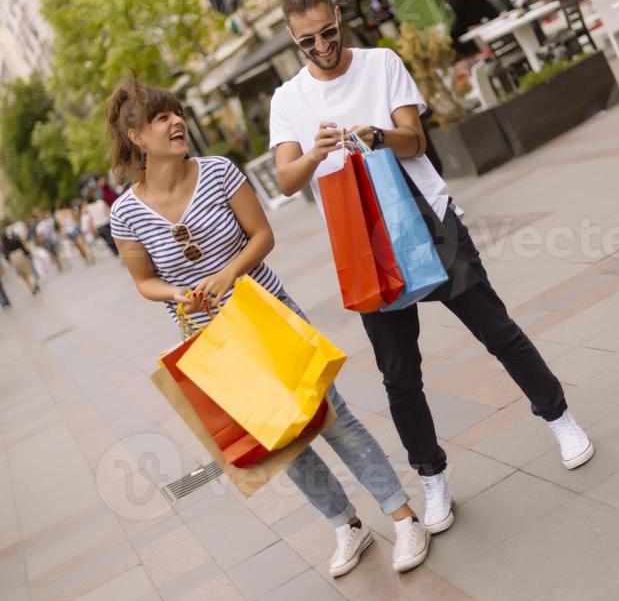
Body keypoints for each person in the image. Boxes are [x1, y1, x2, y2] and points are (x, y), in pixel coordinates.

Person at [270, 0, 595, 537]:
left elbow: (416, 141)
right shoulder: (288, 100)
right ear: (292, 39)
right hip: (364, 244)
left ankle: (559, 417)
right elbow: (284, 177)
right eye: (308, 41)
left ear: (339, 17)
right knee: (399, 374)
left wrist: (377, 134)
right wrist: (317, 152)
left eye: (328, 32)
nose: (322, 47)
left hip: (428, 219)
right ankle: (432, 475)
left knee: (496, 329)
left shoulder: (381, 63)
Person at [106, 77, 432, 575]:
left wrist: (227, 274)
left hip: (270, 314)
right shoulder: (126, 213)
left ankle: (403, 516)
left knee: (330, 417)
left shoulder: (217, 173)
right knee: (282, 441)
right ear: (135, 136)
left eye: (176, 113)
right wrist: (177, 294)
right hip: (211, 342)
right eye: (159, 118)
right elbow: (143, 281)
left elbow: (262, 236)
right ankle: (347, 525)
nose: (176, 122)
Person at [55, 200, 94, 265]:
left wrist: (62, 233)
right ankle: (89, 255)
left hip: (68, 232)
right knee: (82, 244)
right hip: (74, 229)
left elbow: (61, 226)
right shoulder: (69, 211)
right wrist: (79, 226)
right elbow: (76, 220)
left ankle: (86, 258)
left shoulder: (58, 215)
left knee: (78, 246)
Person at [1, 229, 40, 295]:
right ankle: (33, 285)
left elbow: (6, 258)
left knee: (23, 275)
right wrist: (28, 254)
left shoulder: (4, 247)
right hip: (21, 256)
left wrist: (11, 265)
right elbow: (24, 248)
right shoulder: (16, 240)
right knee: (28, 273)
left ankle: (31, 287)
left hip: (13, 260)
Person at [84, 189, 119, 256]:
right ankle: (118, 249)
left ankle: (115, 252)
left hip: (98, 226)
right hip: (106, 222)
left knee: (106, 240)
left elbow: (90, 218)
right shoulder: (101, 202)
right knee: (113, 237)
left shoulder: (88, 207)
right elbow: (108, 210)